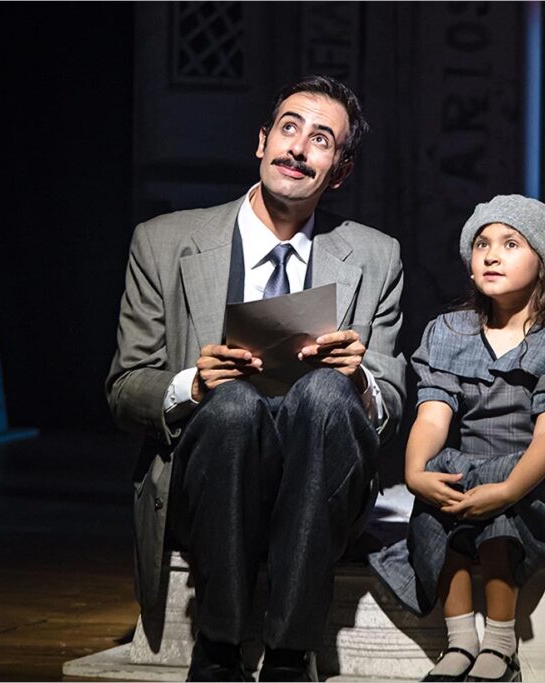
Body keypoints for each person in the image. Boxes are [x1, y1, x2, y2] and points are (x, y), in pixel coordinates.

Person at [106, 75, 406, 682]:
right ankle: (219, 648)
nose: (298, 148)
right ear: (262, 141)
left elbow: (392, 398)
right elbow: (124, 386)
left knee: (326, 390)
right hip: (211, 472)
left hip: (319, 480)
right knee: (235, 406)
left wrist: (360, 384)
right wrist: (192, 383)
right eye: (289, 128)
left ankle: (291, 655)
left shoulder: (375, 256)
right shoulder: (164, 242)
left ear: (339, 171)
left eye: (321, 139)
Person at [368, 195, 545, 682]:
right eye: (482, 243)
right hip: (474, 469)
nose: (491, 254)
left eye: (510, 243)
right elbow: (433, 416)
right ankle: (460, 640)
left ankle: (500, 645)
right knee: (447, 477)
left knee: (496, 488)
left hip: (539, 482)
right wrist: (416, 472)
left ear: (544, 263)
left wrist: (506, 489)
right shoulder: (450, 331)